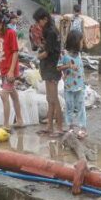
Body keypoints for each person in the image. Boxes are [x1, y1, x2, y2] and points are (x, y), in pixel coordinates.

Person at [0, 10, 25, 128]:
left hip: (11, 70)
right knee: (13, 95)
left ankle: (6, 125)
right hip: (3, 69)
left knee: (4, 95)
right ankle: (19, 120)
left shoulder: (11, 33)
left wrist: (11, 71)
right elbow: (0, 54)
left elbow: (15, 52)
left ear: (2, 22)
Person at [34, 7, 64, 136]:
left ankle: (60, 128)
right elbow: (49, 48)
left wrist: (38, 56)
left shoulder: (51, 32)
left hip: (52, 67)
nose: (38, 24)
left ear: (45, 19)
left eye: (39, 21)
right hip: (49, 68)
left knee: (54, 98)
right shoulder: (51, 31)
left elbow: (48, 53)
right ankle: (49, 126)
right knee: (49, 98)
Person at [58, 29, 88, 139]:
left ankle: (83, 128)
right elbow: (58, 67)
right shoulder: (64, 54)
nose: (82, 43)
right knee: (69, 107)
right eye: (81, 41)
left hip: (80, 86)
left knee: (81, 107)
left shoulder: (79, 54)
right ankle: (70, 127)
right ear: (75, 42)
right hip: (69, 86)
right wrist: (68, 66)